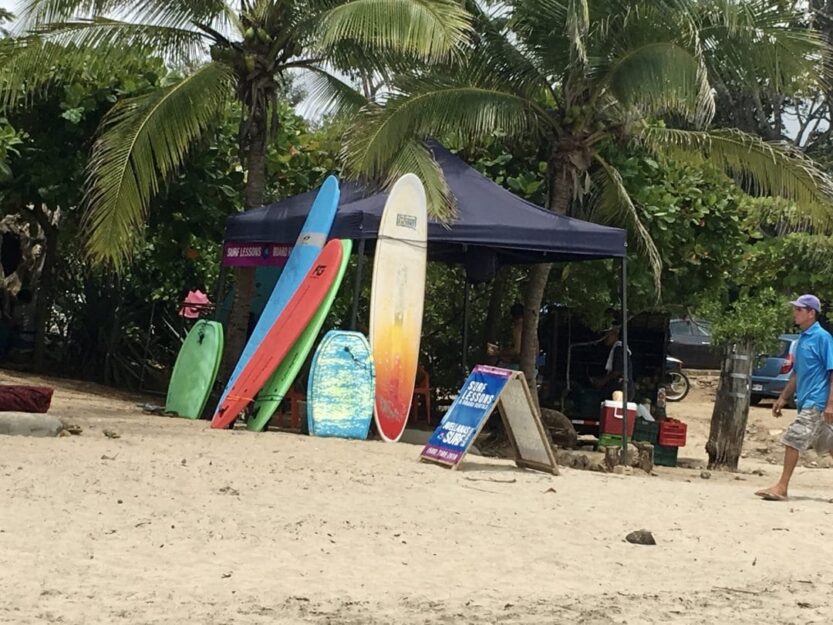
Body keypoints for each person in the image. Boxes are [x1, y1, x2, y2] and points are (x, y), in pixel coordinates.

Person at [755, 294, 833, 501]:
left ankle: (782, 487)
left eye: (799, 309)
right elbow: (797, 373)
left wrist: (830, 404)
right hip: (804, 400)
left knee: (793, 438)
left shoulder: (823, 338)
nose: (795, 313)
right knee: (828, 443)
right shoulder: (800, 341)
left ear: (811, 313)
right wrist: (782, 398)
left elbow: (832, 371)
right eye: (795, 309)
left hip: (817, 400)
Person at [590, 325, 634, 401]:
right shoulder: (615, 349)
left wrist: (602, 381)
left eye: (607, 335)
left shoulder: (619, 349)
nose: (605, 338)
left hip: (621, 389)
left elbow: (617, 371)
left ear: (614, 334)